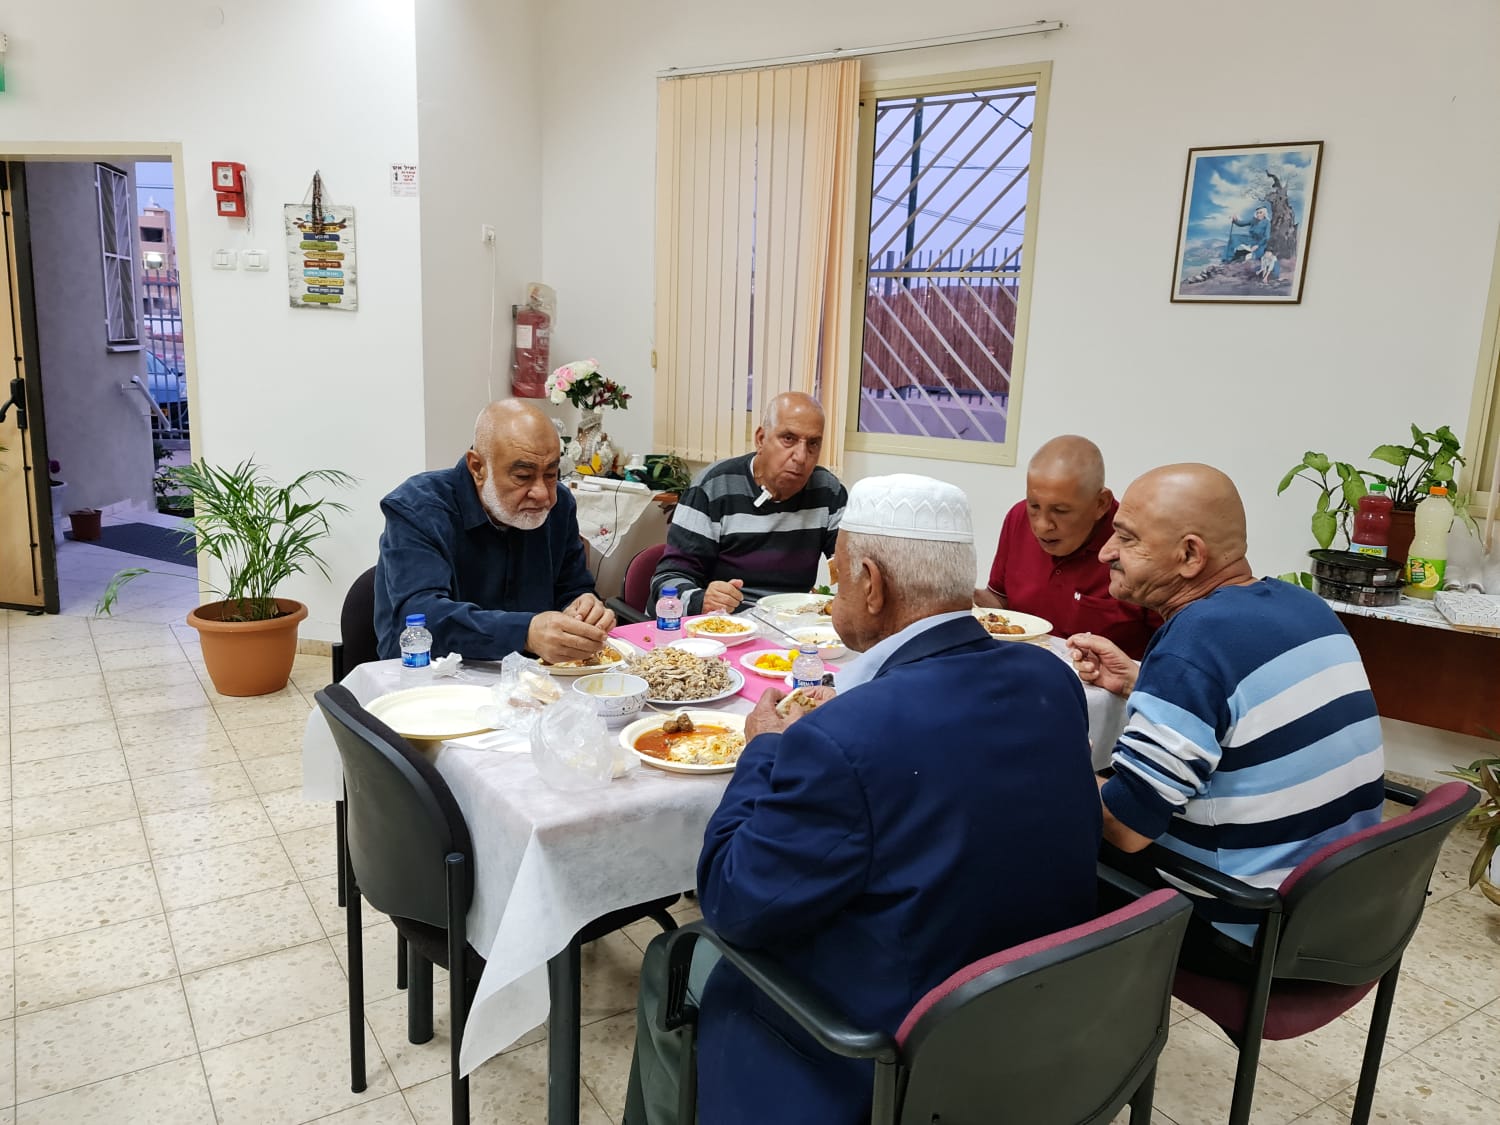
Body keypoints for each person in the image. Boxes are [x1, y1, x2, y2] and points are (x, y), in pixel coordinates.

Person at [625, 474, 1103, 1125]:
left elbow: (733, 903)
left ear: (873, 583)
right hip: (1038, 1026)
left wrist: (766, 749)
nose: (834, 590)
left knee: (673, 956)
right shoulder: (1053, 678)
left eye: (839, 573)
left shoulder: (842, 736)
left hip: (883, 1058)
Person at [1069, 463, 1385, 943]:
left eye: (1126, 538)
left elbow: (1126, 828)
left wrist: (1049, 752)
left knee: (1042, 825)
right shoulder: (1304, 605)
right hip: (1343, 908)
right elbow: (1247, 714)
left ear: (1190, 555)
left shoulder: (1194, 643)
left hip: (1247, 922)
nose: (1106, 553)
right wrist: (1144, 682)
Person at [373, 399, 615, 663]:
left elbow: (572, 587)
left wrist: (585, 606)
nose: (543, 494)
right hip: (431, 679)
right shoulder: (418, 509)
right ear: (477, 467)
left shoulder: (559, 506)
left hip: (534, 681)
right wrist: (525, 633)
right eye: (523, 476)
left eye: (551, 474)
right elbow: (420, 617)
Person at [649, 391, 845, 616]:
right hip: (723, 627)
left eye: (813, 444)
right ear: (761, 439)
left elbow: (850, 566)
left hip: (790, 629)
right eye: (788, 439)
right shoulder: (713, 487)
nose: (801, 456)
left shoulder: (828, 491)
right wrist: (702, 600)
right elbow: (666, 582)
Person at [975, 434, 1159, 658]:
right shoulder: (1017, 518)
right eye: (1034, 506)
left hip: (1105, 687)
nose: (1042, 526)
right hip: (1020, 670)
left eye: (1060, 511)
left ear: (1101, 504)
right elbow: (1000, 603)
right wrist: (959, 595)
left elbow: (1166, 647)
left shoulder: (1138, 544)